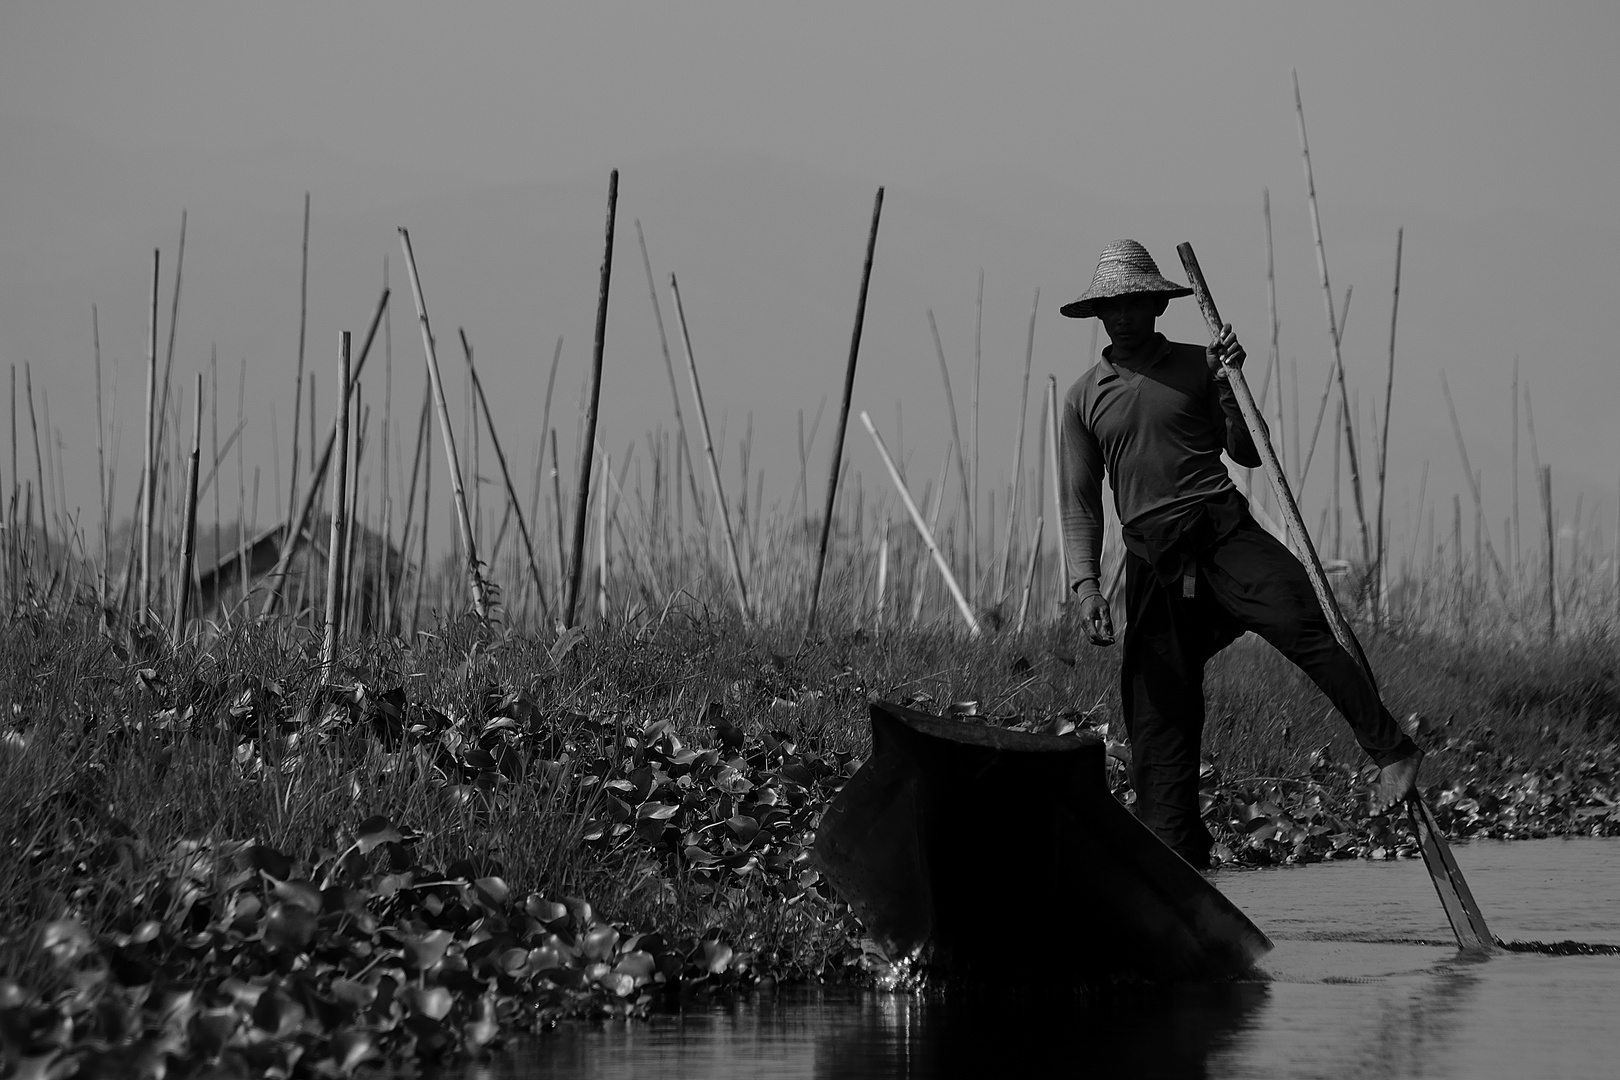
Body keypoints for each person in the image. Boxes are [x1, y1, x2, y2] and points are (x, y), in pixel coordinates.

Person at [1056, 239, 1422, 868]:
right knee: (1155, 707)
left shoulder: (1203, 365)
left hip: (1222, 533)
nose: (1121, 315)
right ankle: (1177, 852)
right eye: (1110, 306)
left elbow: (1248, 453)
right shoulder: (1084, 396)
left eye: (1133, 303)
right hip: (1153, 562)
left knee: (1300, 623)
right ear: (1098, 314)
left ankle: (1393, 750)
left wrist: (1231, 384)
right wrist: (1087, 587)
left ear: (1155, 305)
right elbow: (1080, 503)